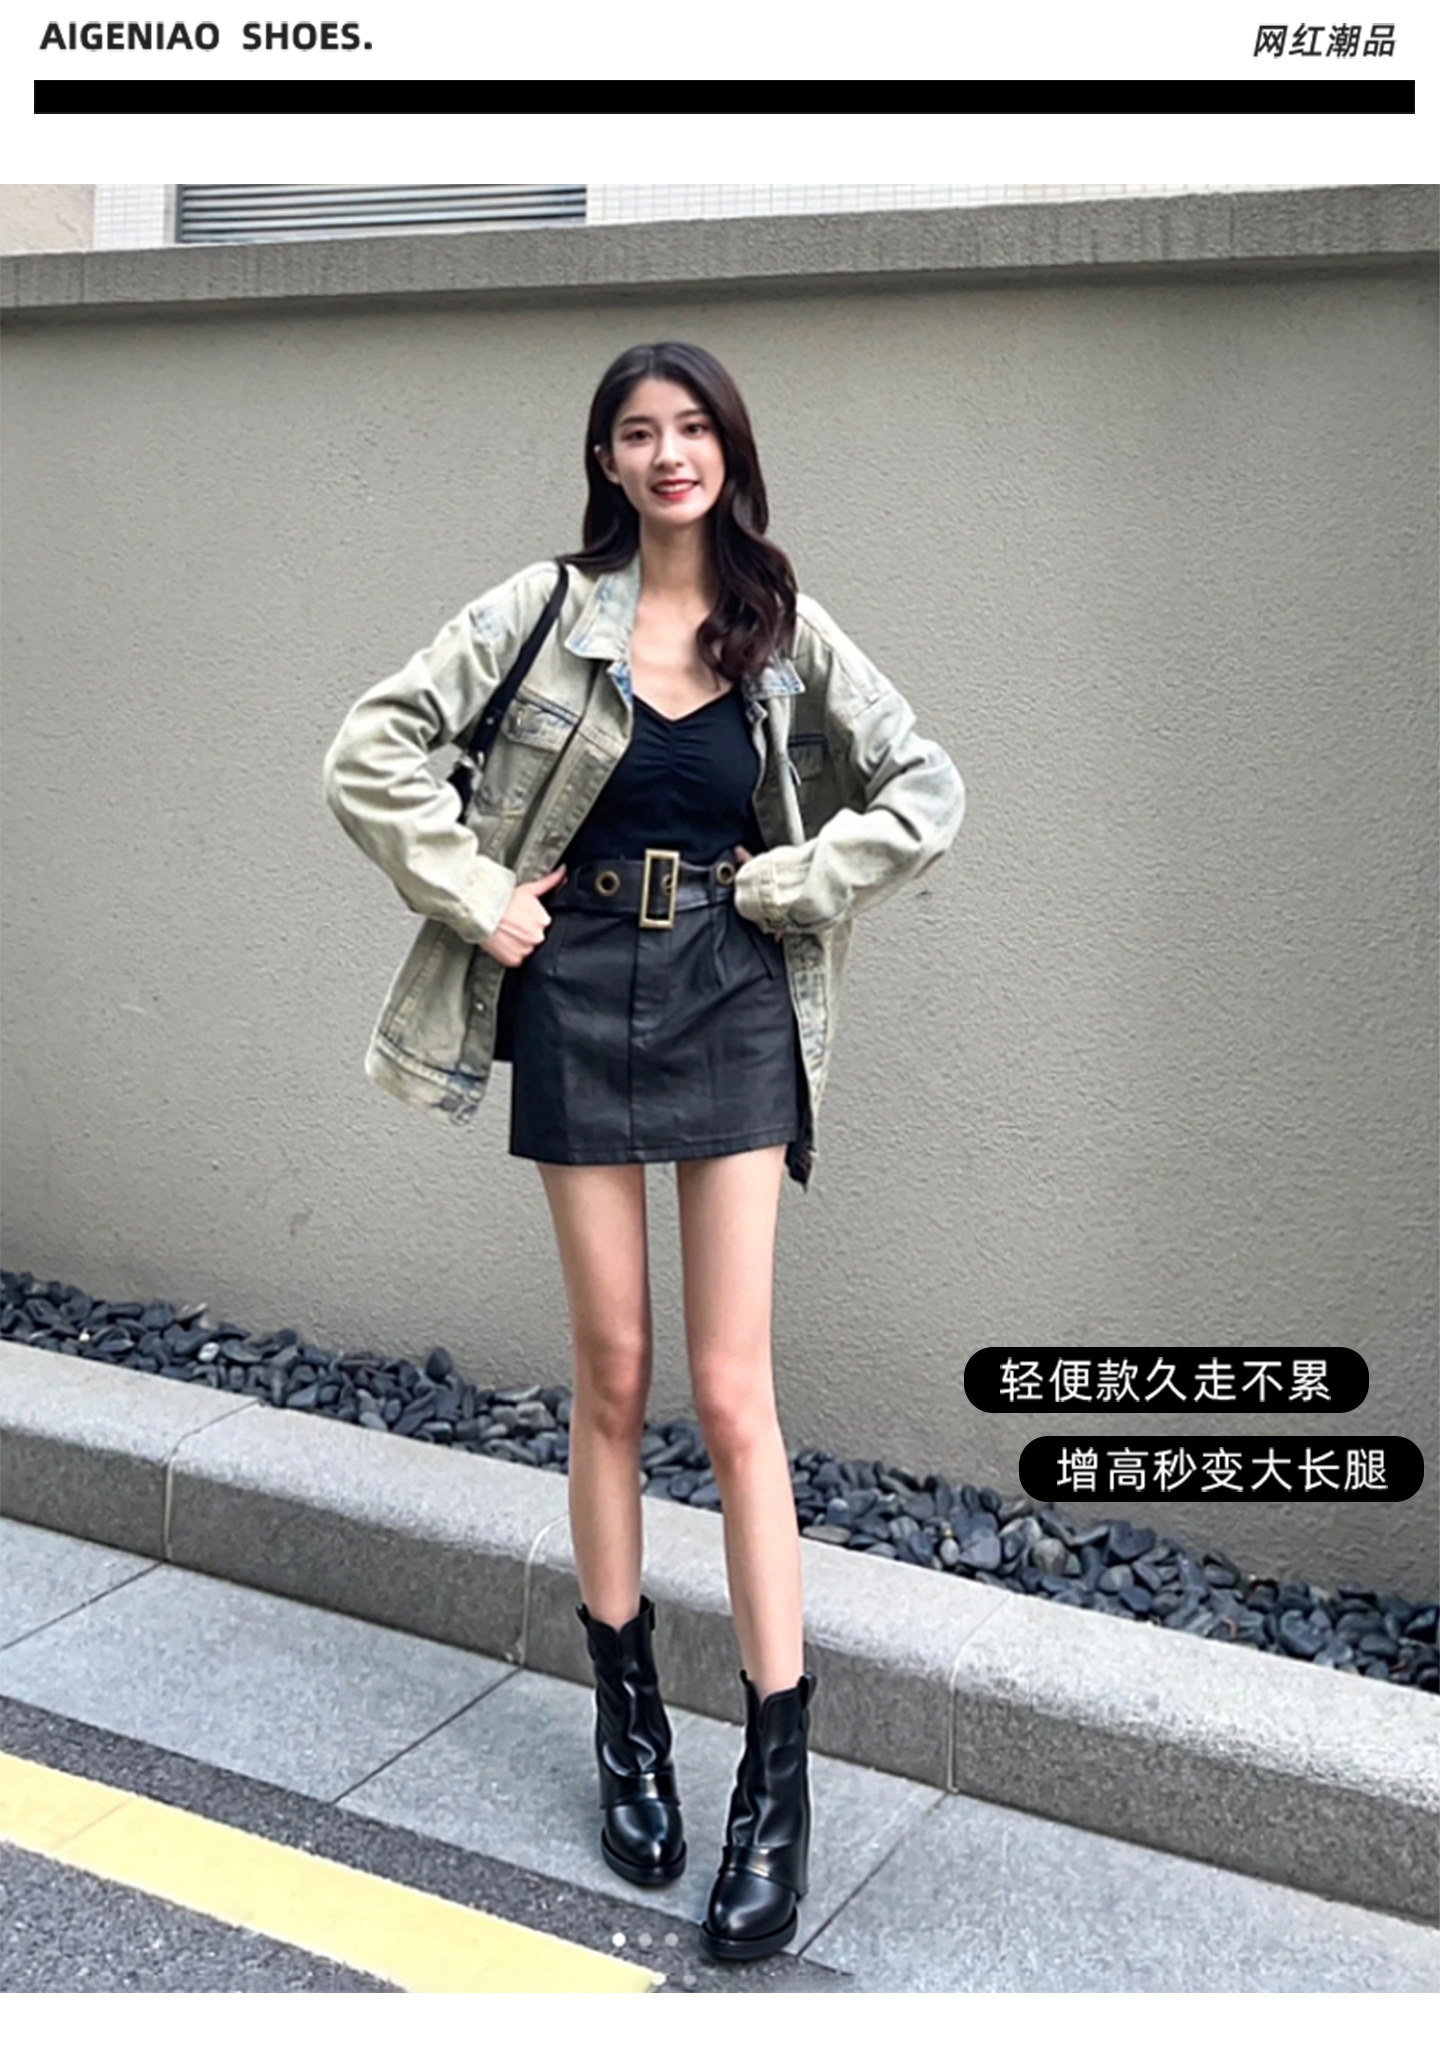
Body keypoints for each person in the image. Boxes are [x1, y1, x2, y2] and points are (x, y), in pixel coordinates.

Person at [322, 339, 964, 1961]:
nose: (669, 453)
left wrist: (801, 882)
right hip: (579, 989)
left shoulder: (780, 625)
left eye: (692, 429)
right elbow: (368, 750)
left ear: (728, 451)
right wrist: (479, 893)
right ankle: (629, 1723)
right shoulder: (545, 611)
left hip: (734, 995)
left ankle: (776, 1782)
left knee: (734, 1394)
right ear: (606, 459)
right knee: (611, 1374)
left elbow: (926, 786)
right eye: (638, 431)